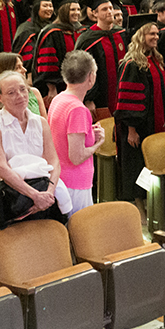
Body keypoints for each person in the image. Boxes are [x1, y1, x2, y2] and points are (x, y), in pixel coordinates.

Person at [0, 71, 73, 237]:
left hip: (43, 191)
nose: (20, 96)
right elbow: (0, 166)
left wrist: (48, 194)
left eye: (23, 89)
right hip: (7, 195)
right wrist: (33, 195)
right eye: (11, 92)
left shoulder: (40, 122)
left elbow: (54, 161)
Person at [114, 18, 165, 215]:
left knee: (150, 164)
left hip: (154, 122)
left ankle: (152, 204)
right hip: (136, 126)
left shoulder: (155, 60)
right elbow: (127, 98)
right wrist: (131, 129)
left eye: (157, 34)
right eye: (151, 34)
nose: (155, 37)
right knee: (136, 164)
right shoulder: (132, 63)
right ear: (140, 36)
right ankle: (139, 206)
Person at [48, 50, 106, 215]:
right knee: (79, 233)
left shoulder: (59, 99)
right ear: (91, 77)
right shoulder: (78, 109)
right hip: (75, 184)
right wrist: (98, 144)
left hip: (60, 178)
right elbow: (76, 156)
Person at [75, 0, 127, 115]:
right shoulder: (88, 40)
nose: (109, 11)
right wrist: (89, 98)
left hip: (123, 95)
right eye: (104, 9)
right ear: (94, 13)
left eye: (110, 8)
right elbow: (84, 71)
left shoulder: (122, 34)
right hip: (100, 98)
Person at [32, 0, 81, 102]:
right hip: (57, 88)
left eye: (78, 9)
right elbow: (48, 62)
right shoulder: (52, 32)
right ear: (64, 10)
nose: (77, 12)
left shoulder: (79, 30)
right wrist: (51, 86)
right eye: (72, 9)